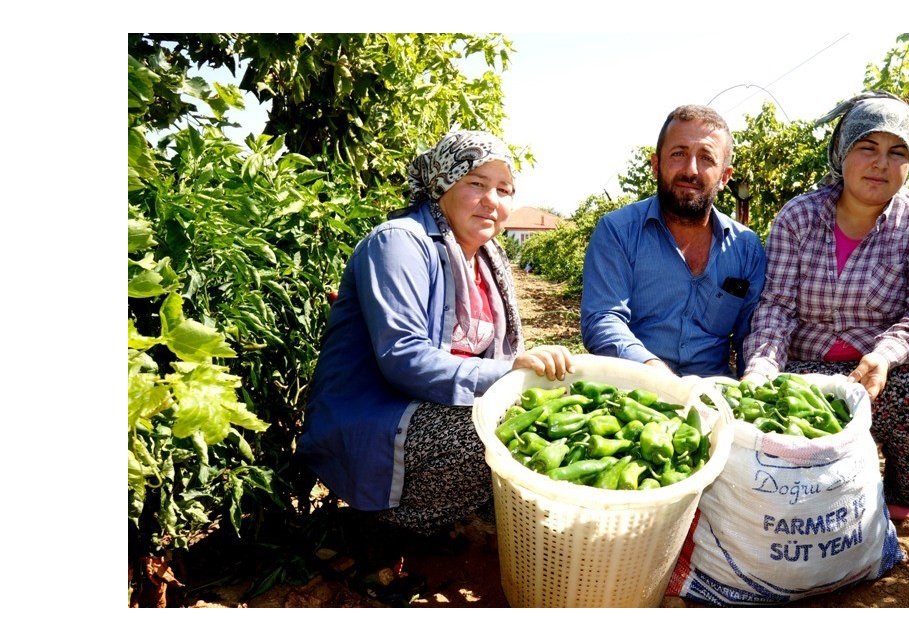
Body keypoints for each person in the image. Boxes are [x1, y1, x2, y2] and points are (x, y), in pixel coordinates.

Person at [297, 131, 574, 539]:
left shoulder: (487, 259)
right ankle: (387, 528)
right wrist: (507, 374)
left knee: (546, 420)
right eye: (476, 184)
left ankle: (466, 514)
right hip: (375, 413)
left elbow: (496, 353)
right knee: (491, 441)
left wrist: (523, 374)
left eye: (503, 189)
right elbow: (404, 358)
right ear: (441, 185)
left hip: (428, 406)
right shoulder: (398, 244)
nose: (492, 201)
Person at [741, 91, 909, 521]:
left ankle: (904, 484)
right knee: (771, 401)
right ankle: (812, 489)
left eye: (897, 152)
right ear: (842, 153)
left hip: (889, 366)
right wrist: (761, 367)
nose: (881, 163)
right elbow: (777, 306)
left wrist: (884, 356)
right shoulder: (799, 217)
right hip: (809, 361)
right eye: (868, 148)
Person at [580, 105, 765, 377]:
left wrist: (755, 378)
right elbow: (603, 318)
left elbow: (752, 334)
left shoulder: (746, 248)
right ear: (656, 165)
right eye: (678, 154)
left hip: (713, 395)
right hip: (635, 394)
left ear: (725, 177)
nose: (691, 170)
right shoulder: (618, 232)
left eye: (706, 158)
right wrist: (654, 373)